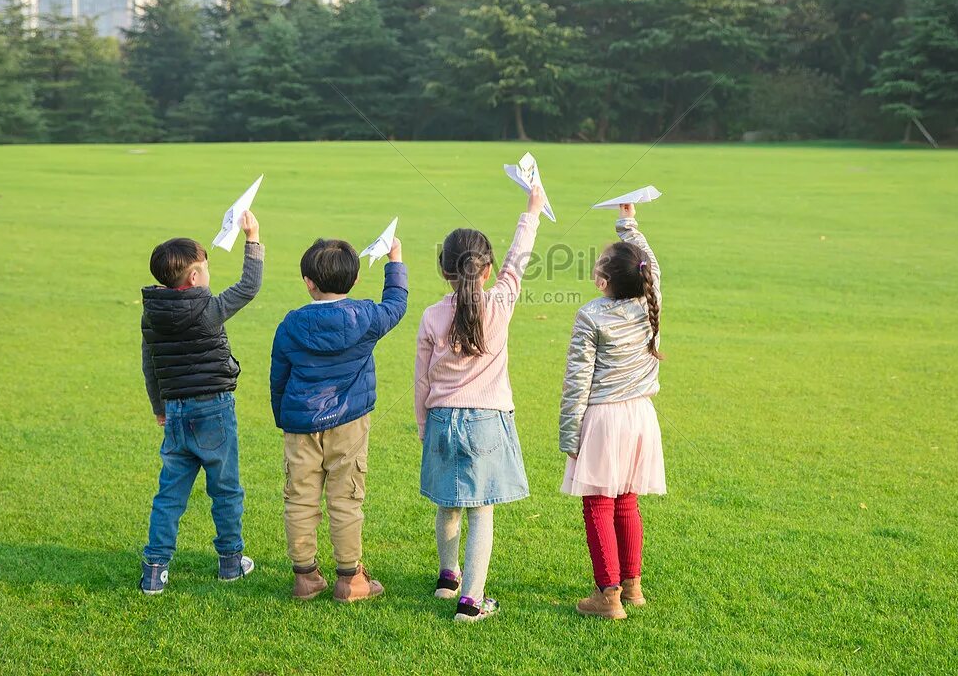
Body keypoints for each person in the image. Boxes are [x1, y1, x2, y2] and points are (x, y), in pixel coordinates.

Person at [414, 184, 545, 622]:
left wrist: (423, 428)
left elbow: (421, 382)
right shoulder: (500, 305)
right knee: (481, 510)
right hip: (487, 422)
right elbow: (518, 260)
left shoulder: (432, 315)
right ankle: (471, 600)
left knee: (448, 503)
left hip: (442, 420)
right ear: (485, 270)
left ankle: (447, 578)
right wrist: (533, 209)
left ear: (444, 271)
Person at [270, 235, 408, 602]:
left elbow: (278, 376)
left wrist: (283, 417)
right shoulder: (366, 317)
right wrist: (394, 260)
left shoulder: (291, 324)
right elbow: (397, 303)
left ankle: (306, 577)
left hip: (300, 422)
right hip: (349, 422)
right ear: (355, 280)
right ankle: (350, 579)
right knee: (346, 499)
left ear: (308, 282)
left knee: (299, 499)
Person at [138, 210, 262, 596]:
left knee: (169, 494)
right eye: (205, 270)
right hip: (214, 410)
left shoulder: (152, 314)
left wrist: (159, 406)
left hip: (174, 412)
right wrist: (252, 237)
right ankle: (230, 563)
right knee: (225, 489)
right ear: (194, 278)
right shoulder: (208, 309)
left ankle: (155, 571)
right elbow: (249, 285)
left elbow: (150, 364)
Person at [559, 202, 666, 620]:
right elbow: (650, 262)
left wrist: (570, 436)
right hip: (641, 417)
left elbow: (577, 383)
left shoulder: (590, 315)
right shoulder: (650, 298)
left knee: (597, 503)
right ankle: (632, 586)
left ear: (602, 281)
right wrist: (629, 225)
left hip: (603, 419)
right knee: (626, 501)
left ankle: (608, 595)